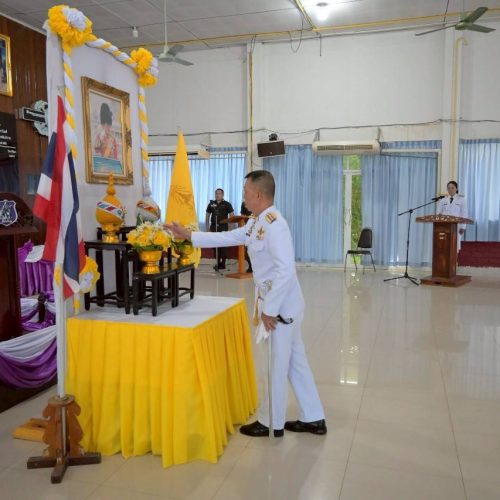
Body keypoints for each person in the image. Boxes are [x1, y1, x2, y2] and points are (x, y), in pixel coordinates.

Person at [167, 170, 326, 438]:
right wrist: (190, 236)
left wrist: (270, 310)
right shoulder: (257, 221)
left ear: (259, 195)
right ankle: (313, 417)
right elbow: (229, 238)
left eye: (246, 192)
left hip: (281, 309)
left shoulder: (276, 225)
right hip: (282, 305)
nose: (243, 197)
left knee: (275, 366)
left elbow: (286, 271)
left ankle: (270, 423)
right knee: (295, 362)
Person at [205, 188, 234, 270]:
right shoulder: (211, 204)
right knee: (215, 247)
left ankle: (223, 264)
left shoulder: (227, 204)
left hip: (223, 227)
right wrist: (207, 228)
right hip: (214, 227)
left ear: (222, 195)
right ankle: (217, 263)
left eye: (219, 193)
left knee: (223, 246)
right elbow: (207, 216)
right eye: (216, 193)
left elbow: (232, 216)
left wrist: (230, 229)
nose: (217, 195)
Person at [436, 180, 468, 251]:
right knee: (445, 246)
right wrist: (439, 216)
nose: (450, 190)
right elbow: (438, 213)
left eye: (452, 188)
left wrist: (463, 227)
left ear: (456, 189)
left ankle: (454, 258)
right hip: (444, 226)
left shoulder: (462, 200)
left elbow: (464, 214)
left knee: (455, 246)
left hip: (457, 226)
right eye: (449, 188)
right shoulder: (443, 200)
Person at [240, 201, 253, 273]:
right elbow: (242, 216)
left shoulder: (258, 201)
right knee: (246, 249)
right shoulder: (244, 203)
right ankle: (250, 265)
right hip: (247, 228)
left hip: (257, 227)